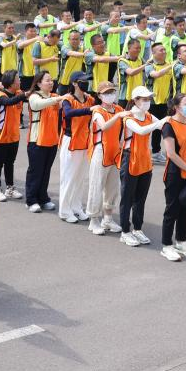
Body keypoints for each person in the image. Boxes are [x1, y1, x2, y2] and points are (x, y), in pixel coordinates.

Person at [119, 86, 165, 245]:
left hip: (145, 159)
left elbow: (163, 126)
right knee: (127, 198)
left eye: (148, 99)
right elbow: (141, 131)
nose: (147, 102)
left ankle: (137, 229)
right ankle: (125, 231)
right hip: (130, 158)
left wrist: (171, 122)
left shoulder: (148, 116)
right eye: (144, 99)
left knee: (140, 198)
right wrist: (161, 122)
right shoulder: (129, 117)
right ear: (135, 100)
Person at [159, 92, 186, 262]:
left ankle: (181, 242)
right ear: (177, 107)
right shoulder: (169, 125)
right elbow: (171, 153)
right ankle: (166, 246)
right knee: (172, 210)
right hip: (175, 174)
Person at [85, 83, 126, 234]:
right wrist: (117, 116)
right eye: (106, 93)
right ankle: (93, 220)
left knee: (112, 187)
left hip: (115, 152)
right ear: (100, 96)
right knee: (97, 185)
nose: (110, 95)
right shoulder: (98, 111)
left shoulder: (119, 109)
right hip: (100, 151)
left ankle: (107, 219)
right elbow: (103, 126)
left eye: (112, 92)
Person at [57, 73, 96, 223]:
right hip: (71, 141)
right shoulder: (68, 99)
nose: (86, 83)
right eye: (83, 81)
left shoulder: (90, 99)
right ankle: (64, 211)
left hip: (85, 141)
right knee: (68, 178)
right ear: (74, 83)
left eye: (87, 81)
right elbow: (68, 113)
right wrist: (89, 110)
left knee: (80, 178)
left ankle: (76, 206)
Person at [24, 72, 65, 212]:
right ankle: (31, 200)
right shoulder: (34, 96)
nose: (51, 83)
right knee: (35, 171)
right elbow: (37, 105)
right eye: (47, 80)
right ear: (39, 83)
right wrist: (57, 99)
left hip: (52, 140)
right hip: (37, 140)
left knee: (46, 171)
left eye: (52, 80)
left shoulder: (54, 96)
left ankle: (43, 198)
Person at [0, 71, 27, 202]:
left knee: (10, 162)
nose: (20, 80)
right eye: (17, 79)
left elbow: (29, 98)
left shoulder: (19, 93)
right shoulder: (0, 96)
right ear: (11, 83)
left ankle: (10, 188)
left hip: (14, 135)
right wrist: (24, 95)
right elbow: (9, 102)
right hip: (1, 135)